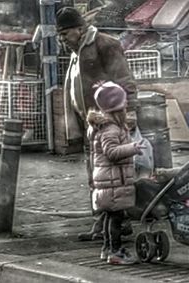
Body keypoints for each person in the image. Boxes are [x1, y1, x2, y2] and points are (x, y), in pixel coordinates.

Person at [55, 7, 138, 240]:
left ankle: (117, 223)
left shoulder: (104, 44)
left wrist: (129, 112)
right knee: (96, 176)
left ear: (79, 29)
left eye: (65, 34)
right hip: (90, 123)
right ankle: (101, 223)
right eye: (59, 35)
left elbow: (124, 79)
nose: (62, 40)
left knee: (111, 176)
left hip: (108, 122)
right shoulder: (77, 49)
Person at [87, 81, 144, 264]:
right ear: (117, 109)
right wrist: (132, 148)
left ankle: (106, 249)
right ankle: (115, 252)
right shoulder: (110, 129)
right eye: (124, 105)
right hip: (113, 181)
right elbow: (111, 153)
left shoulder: (109, 127)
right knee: (116, 218)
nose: (126, 108)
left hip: (110, 181)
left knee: (109, 216)